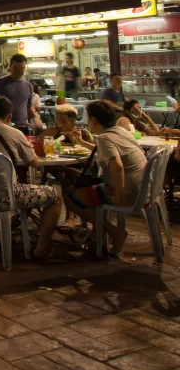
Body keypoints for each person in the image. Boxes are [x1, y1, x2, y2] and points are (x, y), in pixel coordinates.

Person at [0, 95, 61, 260]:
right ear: (9, 116)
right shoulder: (15, 133)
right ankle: (41, 248)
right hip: (6, 197)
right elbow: (34, 163)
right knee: (56, 196)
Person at [66, 99, 148, 255]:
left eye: (88, 117)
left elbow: (117, 166)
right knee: (95, 192)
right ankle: (97, 236)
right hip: (145, 190)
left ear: (94, 120)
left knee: (69, 199)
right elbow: (106, 152)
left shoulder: (104, 138)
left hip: (129, 194)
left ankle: (115, 232)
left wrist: (118, 194)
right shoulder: (119, 132)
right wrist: (82, 142)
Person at [0, 54, 39, 133]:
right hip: (4, 127)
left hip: (22, 126)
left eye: (22, 68)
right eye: (16, 68)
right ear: (10, 66)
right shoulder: (0, 83)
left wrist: (35, 118)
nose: (20, 71)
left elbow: (29, 106)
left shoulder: (29, 86)